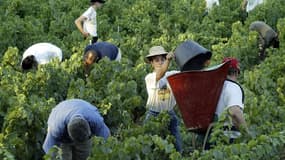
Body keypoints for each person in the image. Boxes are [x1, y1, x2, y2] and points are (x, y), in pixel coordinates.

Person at [173, 40, 247, 149]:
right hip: (227, 138)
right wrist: (247, 131)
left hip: (208, 136)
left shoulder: (211, 86)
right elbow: (234, 111)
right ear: (236, 72)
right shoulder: (233, 87)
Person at [42, 99, 110, 160]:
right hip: (62, 135)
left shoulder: (95, 120)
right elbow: (49, 150)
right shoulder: (56, 128)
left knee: (84, 156)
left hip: (81, 109)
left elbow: (107, 140)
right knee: (63, 157)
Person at [144, 46, 182, 153]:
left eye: (162, 59)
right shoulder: (150, 77)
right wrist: (168, 60)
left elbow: (184, 72)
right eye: (157, 60)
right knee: (149, 143)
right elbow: (160, 74)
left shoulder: (171, 75)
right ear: (151, 63)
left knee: (176, 141)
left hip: (169, 112)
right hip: (153, 114)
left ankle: (179, 155)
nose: (160, 62)